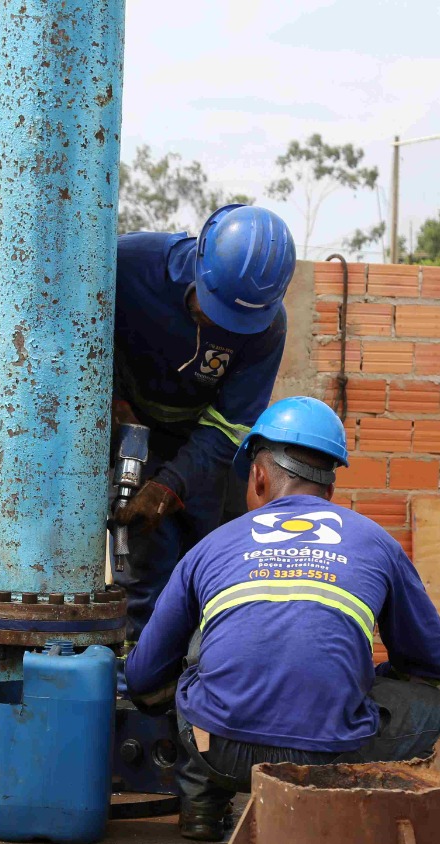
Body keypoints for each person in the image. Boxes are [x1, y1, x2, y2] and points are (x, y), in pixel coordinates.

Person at [124, 396, 440, 841]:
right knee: (432, 709)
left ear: (258, 475)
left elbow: (144, 675)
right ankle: (354, 809)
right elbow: (432, 665)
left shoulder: (212, 546)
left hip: (220, 752)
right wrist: (364, 682)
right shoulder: (375, 542)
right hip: (331, 759)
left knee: (195, 662)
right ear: (329, 490)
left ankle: (202, 799)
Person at [112, 204, 296, 639]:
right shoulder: (129, 263)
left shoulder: (267, 329)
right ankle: (139, 670)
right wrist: (113, 403)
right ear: (198, 261)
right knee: (145, 559)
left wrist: (171, 484)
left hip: (206, 441)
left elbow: (230, 426)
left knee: (217, 561)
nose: (216, 323)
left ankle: (206, 676)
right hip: (127, 420)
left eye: (234, 321)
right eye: (210, 306)